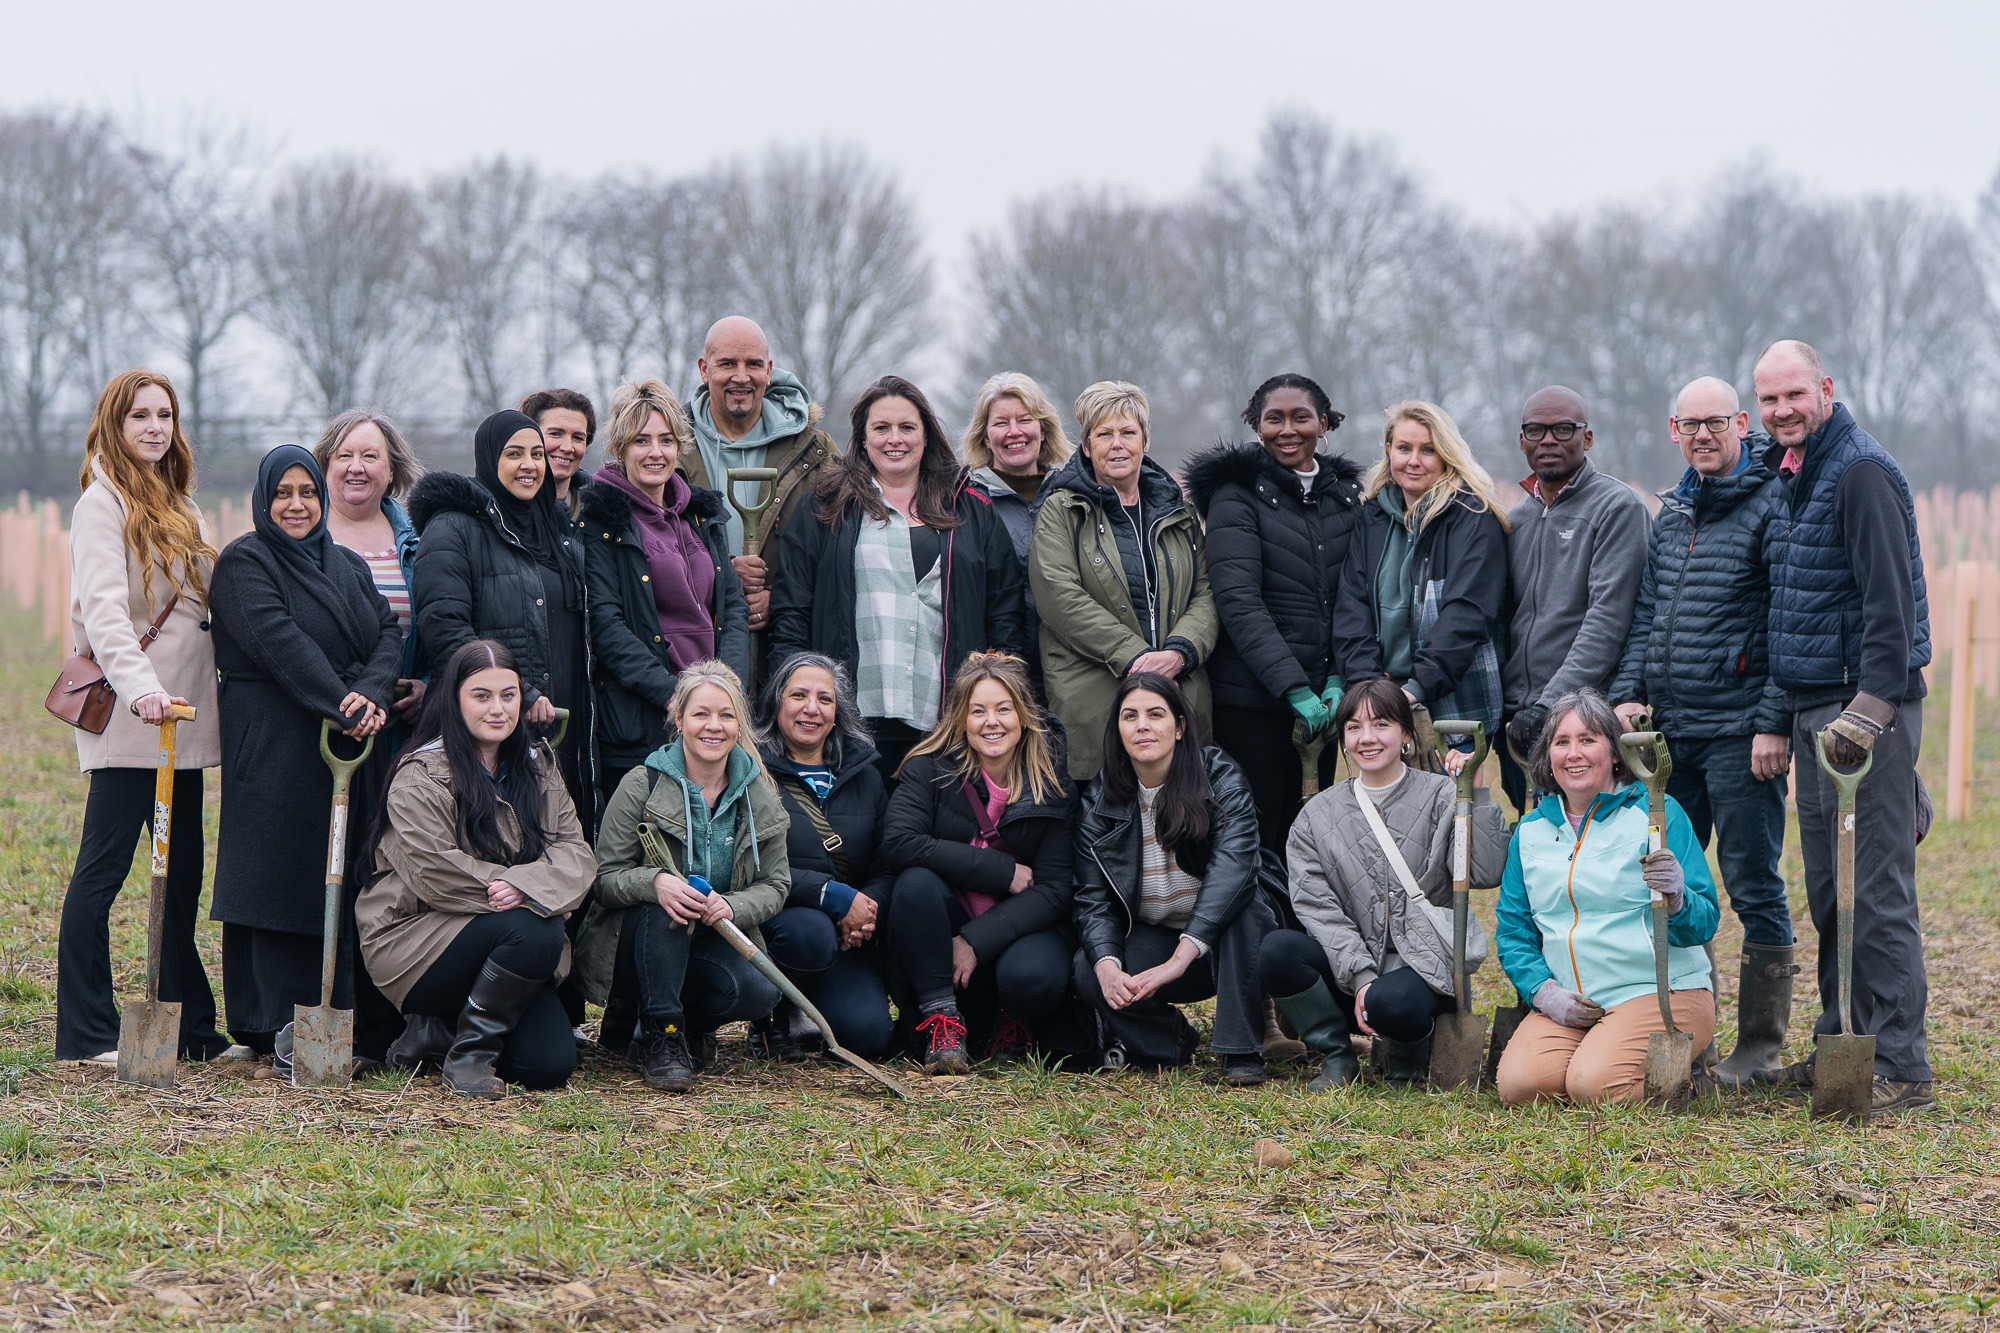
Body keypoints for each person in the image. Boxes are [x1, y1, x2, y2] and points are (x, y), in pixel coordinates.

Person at [1753, 339, 1933, 1115]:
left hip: (1866, 710)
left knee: (1877, 888)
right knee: (1831, 889)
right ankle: (1840, 1040)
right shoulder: (1795, 472)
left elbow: (1891, 606)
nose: (1782, 410)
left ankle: (1899, 1063)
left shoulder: (1859, 471)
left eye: (1794, 394)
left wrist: (1870, 709)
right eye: (1768, 400)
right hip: (1811, 706)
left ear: (1824, 387)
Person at [1608, 376, 1793, 1087]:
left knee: (1752, 881)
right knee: (1672, 881)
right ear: (1673, 430)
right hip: (1672, 737)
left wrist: (1772, 721)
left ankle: (1761, 1046)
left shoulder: (1769, 506)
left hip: (1741, 734)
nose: (1703, 436)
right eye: (1690, 425)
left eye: (1716, 422)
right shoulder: (1674, 511)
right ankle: (1692, 1026)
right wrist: (1628, 693)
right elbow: (1649, 613)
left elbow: (1784, 624)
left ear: (1742, 422)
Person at [56, 370, 230, 1064]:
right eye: (140, 416)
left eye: (165, 414)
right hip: (137, 715)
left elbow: (207, 595)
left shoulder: (180, 502)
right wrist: (140, 689)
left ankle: (188, 1026)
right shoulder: (101, 504)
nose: (155, 426)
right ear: (114, 424)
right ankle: (88, 1033)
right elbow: (103, 614)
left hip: (180, 720)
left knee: (181, 871)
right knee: (103, 871)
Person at [207, 446, 401, 1063]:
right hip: (273, 739)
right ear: (263, 501)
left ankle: (344, 1014)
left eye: (307, 493)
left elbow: (386, 634)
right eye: (283, 493)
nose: (296, 505)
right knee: (278, 871)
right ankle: (268, 1025)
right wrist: (346, 704)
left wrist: (370, 695)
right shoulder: (244, 562)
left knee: (340, 870)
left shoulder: (344, 563)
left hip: (345, 739)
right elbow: (279, 642)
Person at [356, 640, 595, 1098]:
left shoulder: (537, 766)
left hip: (505, 939)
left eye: (509, 695)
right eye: (481, 696)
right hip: (416, 939)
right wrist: (520, 893)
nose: (498, 709)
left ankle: (438, 1035)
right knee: (537, 930)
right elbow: (436, 873)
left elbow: (576, 854)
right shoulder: (420, 775)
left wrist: (525, 886)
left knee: (548, 1065)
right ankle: (469, 1059)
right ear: (454, 700)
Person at [770, 375, 1027, 779]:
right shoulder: (823, 508)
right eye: (881, 428)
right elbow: (791, 613)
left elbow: (1006, 615)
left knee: (927, 836)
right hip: (848, 725)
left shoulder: (971, 508)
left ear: (927, 437)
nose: (895, 439)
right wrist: (793, 700)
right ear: (863, 437)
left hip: (948, 726)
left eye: (907, 428)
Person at [1260, 679, 1508, 1090]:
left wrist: (1475, 794)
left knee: (1390, 1001)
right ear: (1343, 738)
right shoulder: (1316, 816)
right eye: (1354, 727)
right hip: (1351, 965)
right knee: (1276, 950)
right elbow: (1317, 907)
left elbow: (1484, 874)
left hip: (1424, 967)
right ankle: (1338, 1055)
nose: (1367, 738)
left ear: (1407, 734)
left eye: (1381, 724)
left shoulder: (1443, 795)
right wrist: (1360, 975)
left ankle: (1408, 1057)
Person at [1492, 690, 1719, 1106]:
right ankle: (1598, 1051)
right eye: (1562, 742)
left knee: (1592, 1086)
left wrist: (1677, 898)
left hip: (1660, 992)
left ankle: (1686, 1082)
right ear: (1548, 757)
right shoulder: (1530, 832)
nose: (1574, 754)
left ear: (1616, 753)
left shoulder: (1657, 813)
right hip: (1575, 1000)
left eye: (1589, 739)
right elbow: (1513, 930)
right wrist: (1543, 993)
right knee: (1521, 1087)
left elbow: (1705, 922)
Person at [581, 661, 789, 1093]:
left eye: (726, 715)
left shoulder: (758, 794)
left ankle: (682, 1020)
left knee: (759, 991)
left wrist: (734, 905)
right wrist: (653, 881)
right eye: (700, 714)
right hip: (636, 943)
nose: (713, 726)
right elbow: (603, 878)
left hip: (712, 937)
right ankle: (664, 1036)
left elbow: (776, 883)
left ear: (739, 724)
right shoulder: (643, 783)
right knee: (668, 906)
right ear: (679, 720)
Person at [1184, 374, 1365, 858]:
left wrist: (1335, 679)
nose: (1288, 430)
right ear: (1255, 425)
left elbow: (1353, 596)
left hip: (1324, 705)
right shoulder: (1235, 494)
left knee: (1309, 837)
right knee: (1255, 839)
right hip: (1253, 703)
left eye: (1301, 417)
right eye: (1274, 419)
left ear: (1323, 424)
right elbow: (1239, 599)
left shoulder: (1344, 497)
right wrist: (1294, 687)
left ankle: (1302, 933)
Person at [1072, 673, 1281, 1086]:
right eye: (1130, 716)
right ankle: (1174, 1041)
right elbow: (1092, 898)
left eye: (1155, 714)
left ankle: (1242, 1052)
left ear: (1180, 726)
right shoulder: (1098, 800)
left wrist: (1182, 957)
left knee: (1244, 904)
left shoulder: (1218, 774)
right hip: (1160, 939)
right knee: (1088, 968)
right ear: (1118, 730)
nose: (1142, 726)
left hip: (1228, 943)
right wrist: (1108, 963)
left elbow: (1234, 870)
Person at [879, 652, 1080, 1073]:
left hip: (1014, 937)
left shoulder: (1052, 782)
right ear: (961, 719)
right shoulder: (928, 769)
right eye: (978, 711)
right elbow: (899, 842)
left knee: (1032, 978)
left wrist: (974, 941)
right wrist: (1001, 871)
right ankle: (942, 1021)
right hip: (939, 947)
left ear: (1023, 716)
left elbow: (1057, 888)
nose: (992, 722)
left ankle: (1013, 1020)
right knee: (914, 883)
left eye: (1004, 709)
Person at [409, 410, 593, 832]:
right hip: (489, 727)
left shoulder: (555, 532)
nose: (529, 465)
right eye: (514, 454)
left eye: (536, 454)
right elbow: (444, 627)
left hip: (563, 724)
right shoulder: (453, 527)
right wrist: (521, 696)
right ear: (489, 459)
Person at [1031, 380, 1217, 781]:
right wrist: (1137, 659)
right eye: (1104, 434)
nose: (1117, 444)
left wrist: (1179, 653)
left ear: (1145, 441)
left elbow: (1206, 592)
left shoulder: (1179, 512)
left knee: (1182, 829)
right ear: (1085, 445)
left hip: (1179, 699)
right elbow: (1059, 597)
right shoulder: (1061, 510)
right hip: (1095, 706)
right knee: (1104, 832)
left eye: (1128, 432)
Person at [578, 379, 748, 802]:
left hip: (711, 720)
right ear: (620, 447)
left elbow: (731, 607)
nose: (656, 452)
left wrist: (728, 691)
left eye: (666, 440)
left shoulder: (701, 515)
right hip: (645, 718)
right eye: (642, 440)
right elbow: (606, 625)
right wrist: (675, 696)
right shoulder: (601, 521)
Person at [1499, 387, 1648, 812]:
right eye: (1536, 430)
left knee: (1585, 845)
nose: (1548, 440)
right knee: (1537, 847)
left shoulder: (1617, 507)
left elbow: (1607, 619)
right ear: (1522, 440)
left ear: (1588, 438)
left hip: (1580, 720)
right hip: (1517, 718)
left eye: (1563, 428)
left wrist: (1550, 705)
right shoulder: (1516, 519)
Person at [1333, 402, 1510, 743]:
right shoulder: (1371, 518)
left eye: (1428, 450)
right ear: (1388, 450)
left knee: (1453, 798)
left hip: (1452, 700)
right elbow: (1351, 609)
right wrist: (1370, 689)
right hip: (1379, 700)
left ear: (1446, 455)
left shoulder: (1473, 517)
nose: (1413, 461)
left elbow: (1465, 616)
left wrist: (1413, 691)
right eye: (1404, 448)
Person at [750, 652, 896, 1060]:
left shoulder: (864, 772)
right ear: (777, 702)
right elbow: (750, 864)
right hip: (784, 922)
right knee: (807, 933)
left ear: (839, 711)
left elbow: (887, 862)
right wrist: (831, 895)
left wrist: (865, 912)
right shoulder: (751, 771)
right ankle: (772, 1014)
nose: (811, 708)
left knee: (869, 1036)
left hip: (848, 935)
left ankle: (816, 1008)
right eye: (798, 695)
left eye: (825, 699)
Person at [681, 316, 839, 645]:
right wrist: (720, 577)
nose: (741, 377)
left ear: (768, 370)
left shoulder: (816, 451)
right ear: (704, 369)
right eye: (727, 363)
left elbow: (839, 556)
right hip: (692, 651)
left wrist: (781, 596)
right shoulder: (670, 448)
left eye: (753, 364)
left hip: (785, 651)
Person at [315, 408, 428, 731]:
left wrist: (430, 686)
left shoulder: (421, 544)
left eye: (370, 456)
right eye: (344, 456)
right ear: (324, 468)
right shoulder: (301, 540)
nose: (356, 467)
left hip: (400, 724)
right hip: (324, 720)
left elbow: (442, 629)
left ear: (391, 470)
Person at [961, 372, 1074, 684]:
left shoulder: (1075, 495)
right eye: (1000, 423)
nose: (1014, 432)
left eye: (1025, 419)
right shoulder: (964, 503)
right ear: (984, 436)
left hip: (1073, 669)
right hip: (995, 673)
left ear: (1043, 428)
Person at [520, 387, 596, 522]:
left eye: (578, 438)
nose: (567, 447)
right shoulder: (502, 513)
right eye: (555, 434)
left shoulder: (604, 517)